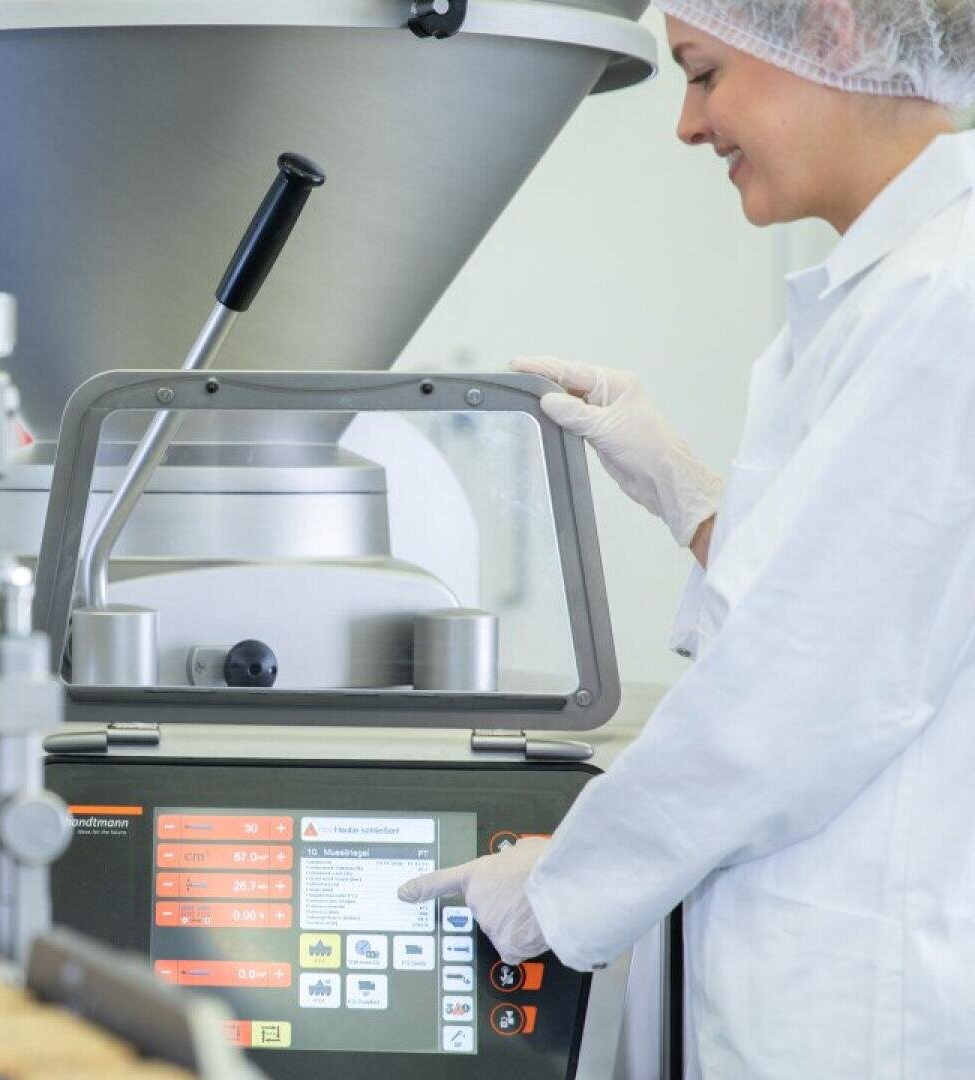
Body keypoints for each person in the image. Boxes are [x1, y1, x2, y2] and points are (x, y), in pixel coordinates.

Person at [398, 0, 975, 1075]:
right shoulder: (885, 295)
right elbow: (833, 599)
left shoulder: (945, 301)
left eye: (703, 72)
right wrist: (686, 489)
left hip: (864, 1012)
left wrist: (564, 886)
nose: (687, 124)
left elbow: (803, 687)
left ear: (837, 35)